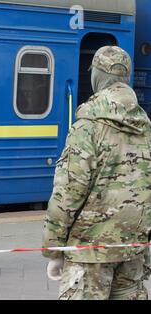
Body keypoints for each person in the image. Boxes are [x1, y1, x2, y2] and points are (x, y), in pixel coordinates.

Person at [42, 46, 151, 300]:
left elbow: (68, 193)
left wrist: (54, 249)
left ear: (98, 77)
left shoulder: (88, 126)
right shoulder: (146, 129)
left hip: (88, 252)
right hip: (133, 249)